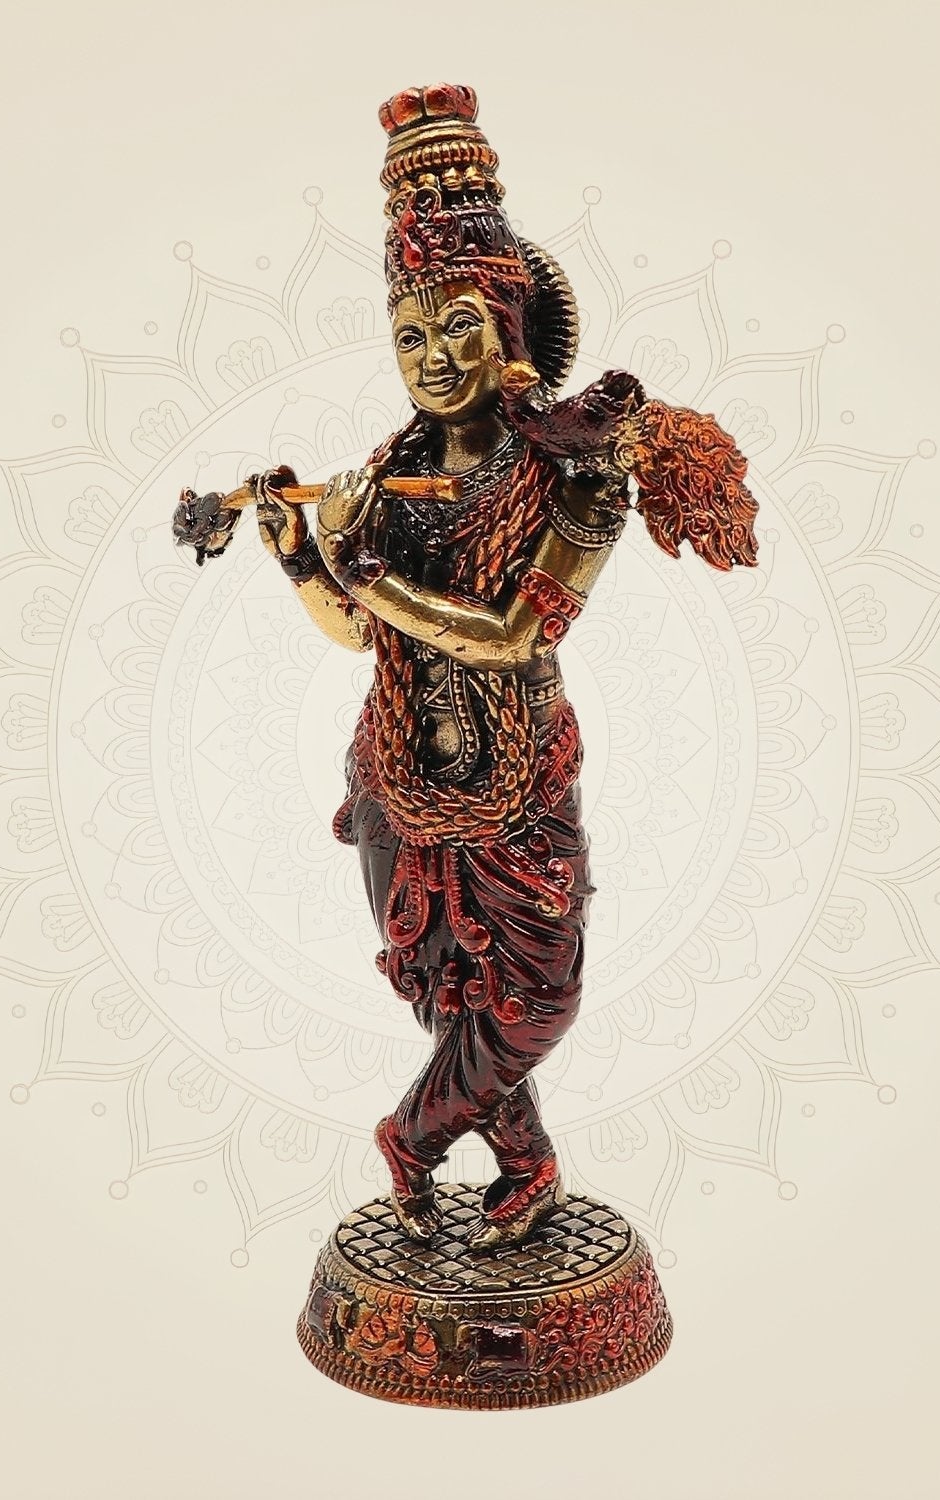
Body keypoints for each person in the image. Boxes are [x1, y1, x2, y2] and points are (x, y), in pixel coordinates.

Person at [252, 84, 758, 1249]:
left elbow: (516, 635)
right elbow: (359, 634)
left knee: (537, 997)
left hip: (519, 771)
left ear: (512, 332)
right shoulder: (386, 473)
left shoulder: (575, 478)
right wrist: (300, 557)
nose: (434, 359)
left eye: (460, 329)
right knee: (444, 991)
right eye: (410, 336)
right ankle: (525, 1165)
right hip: (395, 774)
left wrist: (366, 569)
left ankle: (412, 1136)